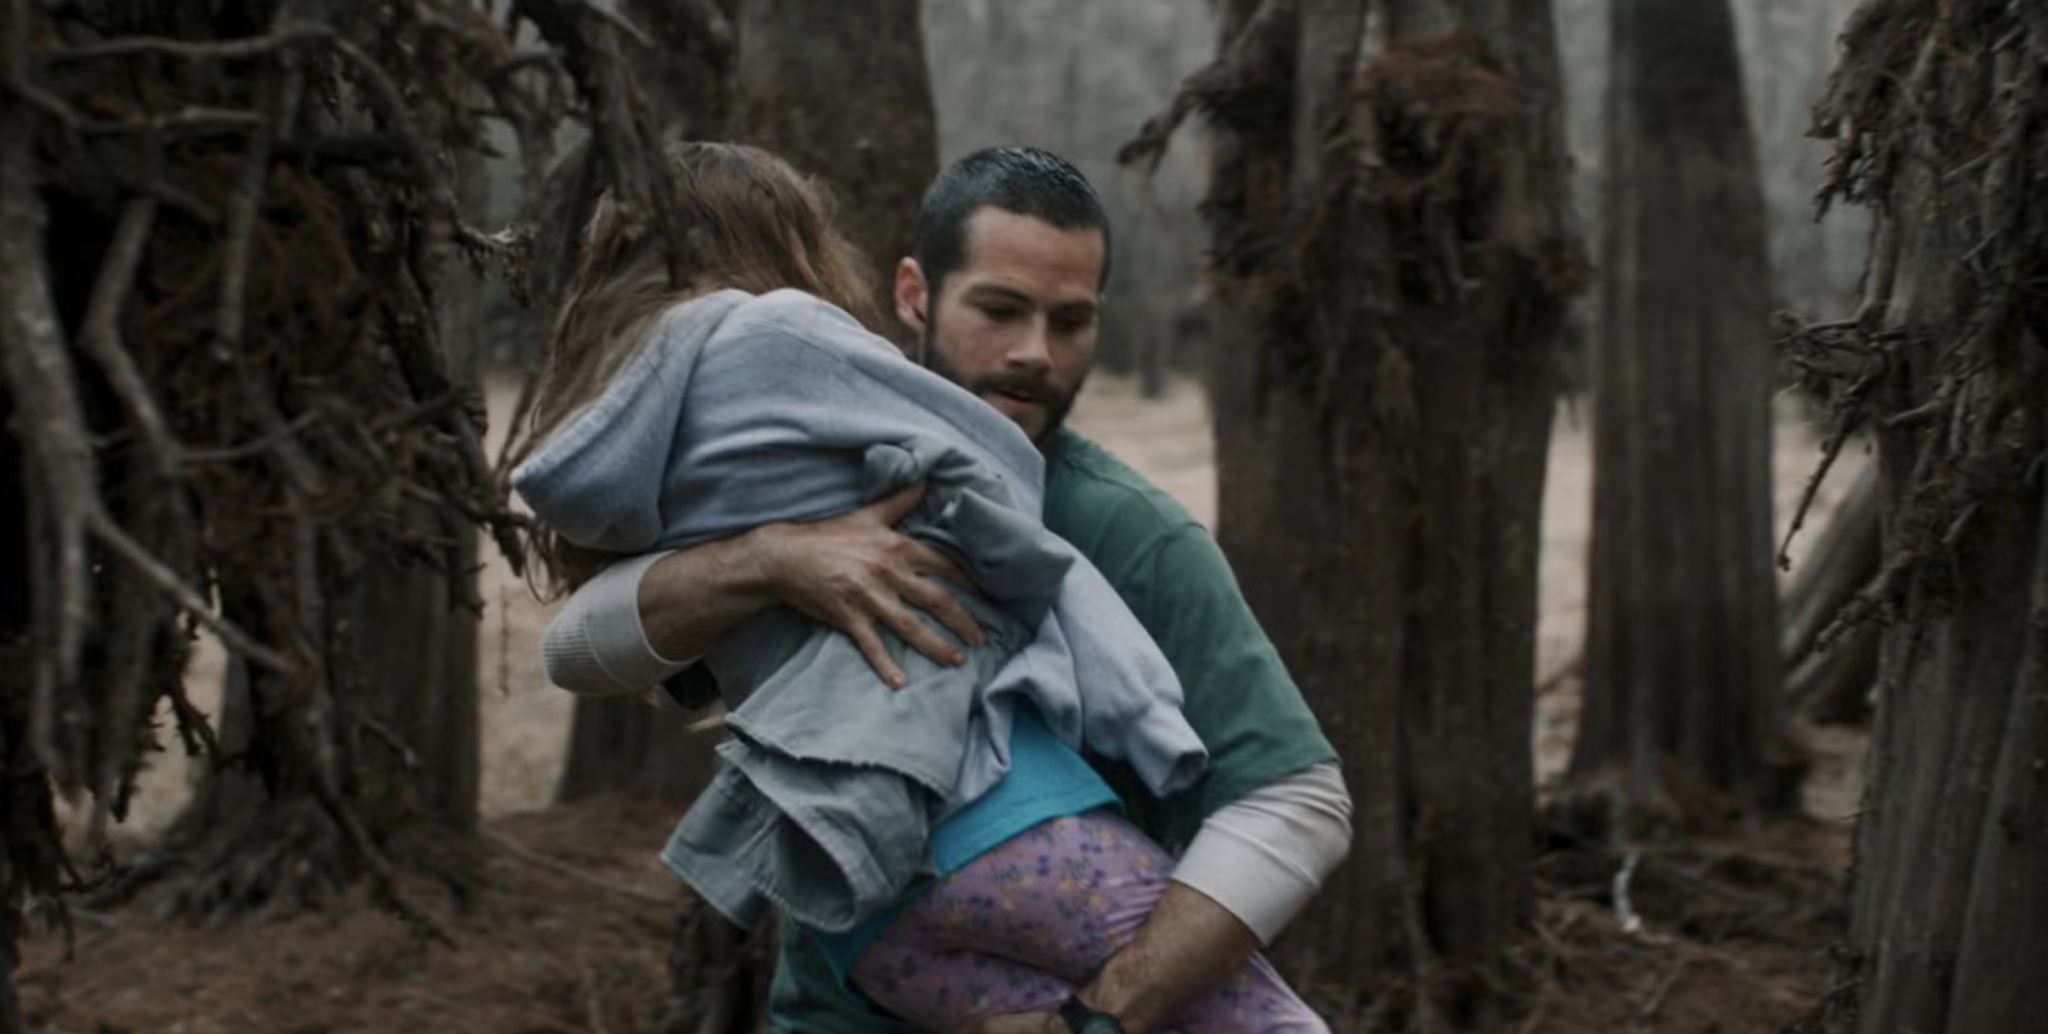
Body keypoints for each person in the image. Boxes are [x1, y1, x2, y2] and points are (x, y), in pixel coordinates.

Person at [521, 141, 1333, 1033]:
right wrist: (773, 560)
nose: (1032, 353)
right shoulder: (789, 470)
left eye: (1070, 322)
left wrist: (1095, 1019)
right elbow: (576, 649)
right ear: (913, 294)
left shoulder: (1127, 528)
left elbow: (1299, 798)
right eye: (999, 309)